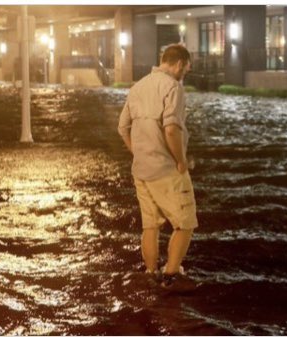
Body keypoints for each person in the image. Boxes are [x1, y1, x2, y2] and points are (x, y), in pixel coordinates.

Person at [117, 44, 198, 293]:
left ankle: (150, 273)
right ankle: (171, 275)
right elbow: (171, 129)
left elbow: (122, 128)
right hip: (166, 170)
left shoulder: (137, 86)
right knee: (185, 224)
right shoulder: (173, 87)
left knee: (150, 226)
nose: (186, 72)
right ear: (178, 63)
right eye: (186, 67)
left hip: (141, 169)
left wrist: (137, 152)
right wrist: (181, 160)